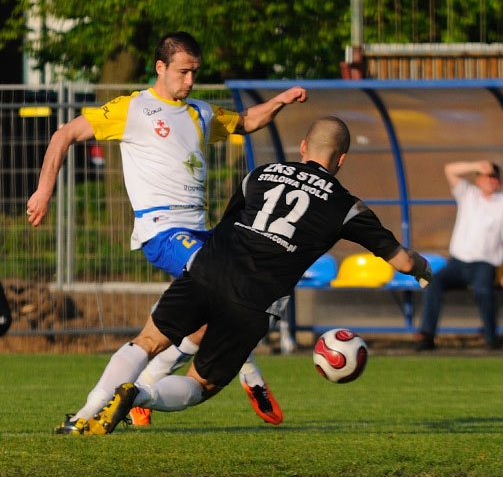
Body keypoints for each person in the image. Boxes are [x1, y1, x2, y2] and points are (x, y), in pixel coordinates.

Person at [52, 116, 433, 435]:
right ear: (342, 159)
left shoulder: (259, 174)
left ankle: (84, 416)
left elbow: (228, 224)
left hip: (208, 269)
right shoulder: (348, 206)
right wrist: (423, 268)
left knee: (147, 341)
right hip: (254, 299)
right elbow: (400, 261)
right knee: (203, 384)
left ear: (303, 147)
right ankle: (140, 396)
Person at [27, 32, 306, 426]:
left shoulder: (200, 112)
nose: (189, 81)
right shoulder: (132, 108)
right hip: (162, 230)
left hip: (201, 233)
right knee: (228, 289)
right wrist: (43, 189)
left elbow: (246, 122)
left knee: (208, 316)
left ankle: (142, 388)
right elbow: (64, 134)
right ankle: (251, 375)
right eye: (183, 72)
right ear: (160, 68)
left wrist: (278, 102)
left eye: (195, 72)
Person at [416, 160, 503, 351]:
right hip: (457, 263)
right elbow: (449, 169)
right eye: (487, 176)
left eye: (495, 177)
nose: (491, 181)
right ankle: (427, 336)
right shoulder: (468, 194)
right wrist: (476, 166)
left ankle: (491, 339)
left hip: (485, 265)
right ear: (478, 179)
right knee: (433, 283)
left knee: (483, 290)